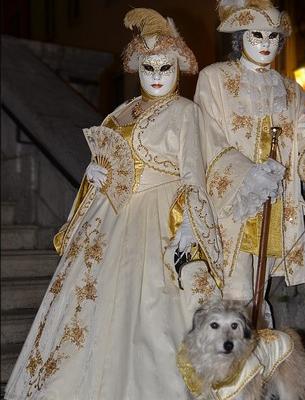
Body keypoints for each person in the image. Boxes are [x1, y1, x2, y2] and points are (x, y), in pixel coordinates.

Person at [5, 8, 223, 400]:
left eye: (166, 67)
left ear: (179, 67)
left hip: (159, 218)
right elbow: (103, 162)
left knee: (152, 318)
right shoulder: (118, 113)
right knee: (85, 314)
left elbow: (194, 175)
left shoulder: (186, 113)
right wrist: (94, 178)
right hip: (108, 219)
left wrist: (190, 225)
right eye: (149, 67)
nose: (157, 75)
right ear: (137, 67)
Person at [194, 0, 305, 327]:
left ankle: (254, 369)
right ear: (240, 36)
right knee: (231, 295)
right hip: (231, 205)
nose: (265, 44)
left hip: (273, 208)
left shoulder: (290, 91)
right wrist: (247, 175)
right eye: (256, 35)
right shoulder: (215, 79)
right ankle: (230, 371)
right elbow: (206, 137)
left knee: (256, 294)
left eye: (273, 36)